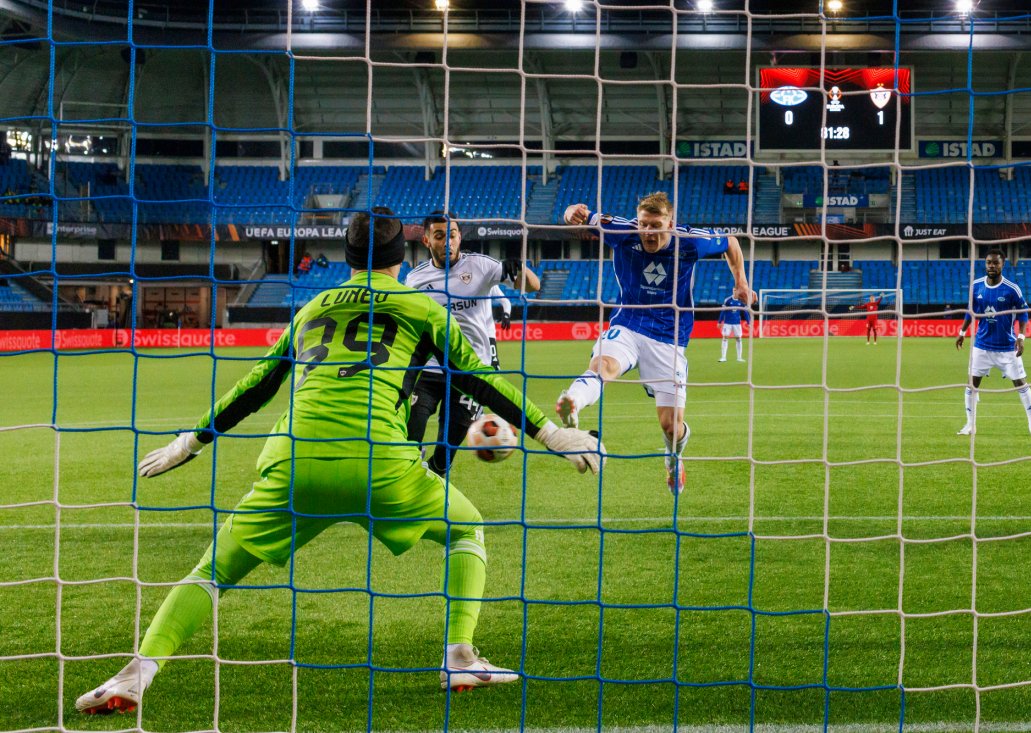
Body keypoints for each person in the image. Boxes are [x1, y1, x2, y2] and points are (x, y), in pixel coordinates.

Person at [74, 207, 602, 715]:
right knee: (467, 530)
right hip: (381, 464)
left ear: (347, 256)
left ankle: (136, 673)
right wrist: (550, 434)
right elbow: (476, 377)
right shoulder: (422, 305)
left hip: (295, 463)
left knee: (211, 572)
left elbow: (256, 387)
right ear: (402, 256)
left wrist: (189, 441)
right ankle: (460, 656)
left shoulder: (313, 306)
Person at [557, 192, 752, 495]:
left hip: (668, 337)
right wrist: (570, 212)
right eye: (643, 225)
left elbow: (732, 242)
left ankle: (673, 459)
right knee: (604, 366)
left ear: (670, 223)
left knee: (672, 428)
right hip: (629, 324)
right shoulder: (622, 232)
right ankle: (572, 403)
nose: (648, 232)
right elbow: (580, 215)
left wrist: (741, 282)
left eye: (656, 225)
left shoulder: (690, 242)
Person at [404, 210, 541, 476]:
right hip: (431, 367)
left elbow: (533, 286)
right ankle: (408, 469)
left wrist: (520, 267)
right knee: (414, 424)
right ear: (426, 241)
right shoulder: (415, 280)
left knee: (448, 442)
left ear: (459, 237)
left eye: (452, 235)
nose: (447, 242)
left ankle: (436, 473)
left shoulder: (481, 266)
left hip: (471, 368)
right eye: (439, 236)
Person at [954, 249, 1031, 437]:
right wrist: (962, 331)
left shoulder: (1012, 289)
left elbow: (1023, 314)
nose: (991, 266)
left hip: (1007, 348)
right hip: (982, 346)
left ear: (1003, 264)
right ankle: (970, 425)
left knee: (1021, 384)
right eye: (988, 263)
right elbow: (971, 312)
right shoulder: (976, 286)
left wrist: (1021, 337)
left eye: (995, 263)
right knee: (971, 385)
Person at [718, 293, 746, 363]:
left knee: (739, 339)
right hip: (727, 323)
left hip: (737, 324)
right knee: (725, 338)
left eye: (736, 290)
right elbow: (723, 311)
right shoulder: (727, 300)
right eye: (734, 290)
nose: (735, 292)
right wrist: (719, 321)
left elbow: (745, 312)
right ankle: (723, 357)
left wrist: (748, 321)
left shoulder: (741, 301)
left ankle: (739, 358)